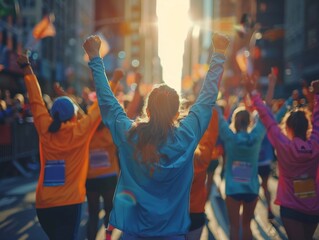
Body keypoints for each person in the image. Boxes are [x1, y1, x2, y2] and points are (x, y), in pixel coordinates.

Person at [83, 33, 230, 239]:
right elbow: (206, 100)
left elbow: (108, 104)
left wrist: (94, 57)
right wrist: (219, 54)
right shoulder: (186, 136)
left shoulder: (131, 136)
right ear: (177, 113)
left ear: (148, 110)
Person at [16, 54, 101, 240]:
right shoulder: (81, 130)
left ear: (53, 113)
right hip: (70, 204)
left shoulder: (45, 126)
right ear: (74, 115)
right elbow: (101, 106)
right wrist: (115, 80)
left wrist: (27, 68)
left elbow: (35, 99)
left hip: (44, 205)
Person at [247, 78, 319, 240]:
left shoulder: (284, 145)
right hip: (314, 207)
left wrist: (253, 93)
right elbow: (318, 120)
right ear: (307, 127)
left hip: (290, 208)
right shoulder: (315, 144)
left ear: (288, 128)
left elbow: (268, 118)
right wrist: (317, 96)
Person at [217, 101, 265, 240]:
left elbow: (219, 117)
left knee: (234, 226)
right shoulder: (255, 137)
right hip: (252, 188)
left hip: (233, 189)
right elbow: (265, 116)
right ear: (250, 122)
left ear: (234, 121)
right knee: (246, 226)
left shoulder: (230, 137)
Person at [186, 108, 218, 239]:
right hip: (196, 212)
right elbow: (211, 135)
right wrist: (212, 109)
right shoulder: (202, 157)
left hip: (175, 213)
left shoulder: (171, 157)